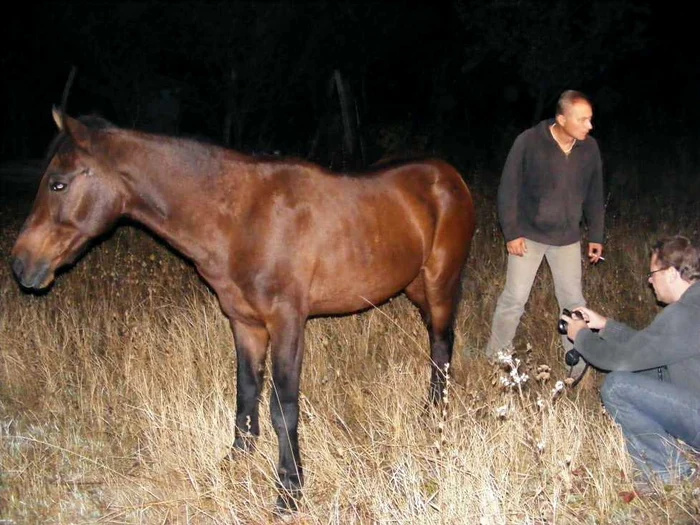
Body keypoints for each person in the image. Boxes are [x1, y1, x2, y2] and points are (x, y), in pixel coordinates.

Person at [563, 235, 700, 493]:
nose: (650, 281)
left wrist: (579, 335)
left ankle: (667, 471)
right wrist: (605, 326)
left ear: (671, 273)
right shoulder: (693, 305)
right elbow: (647, 348)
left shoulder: (686, 314)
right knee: (649, 372)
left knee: (617, 386)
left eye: (653, 274)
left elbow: (619, 360)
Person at [484, 89, 605, 380]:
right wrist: (511, 232)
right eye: (583, 120)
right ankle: (496, 355)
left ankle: (575, 361)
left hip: (567, 238)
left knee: (573, 302)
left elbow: (594, 193)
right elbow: (508, 190)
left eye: (590, 119)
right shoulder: (528, 142)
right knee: (514, 298)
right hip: (529, 236)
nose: (590, 126)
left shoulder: (589, 149)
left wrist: (596, 235)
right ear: (562, 119)